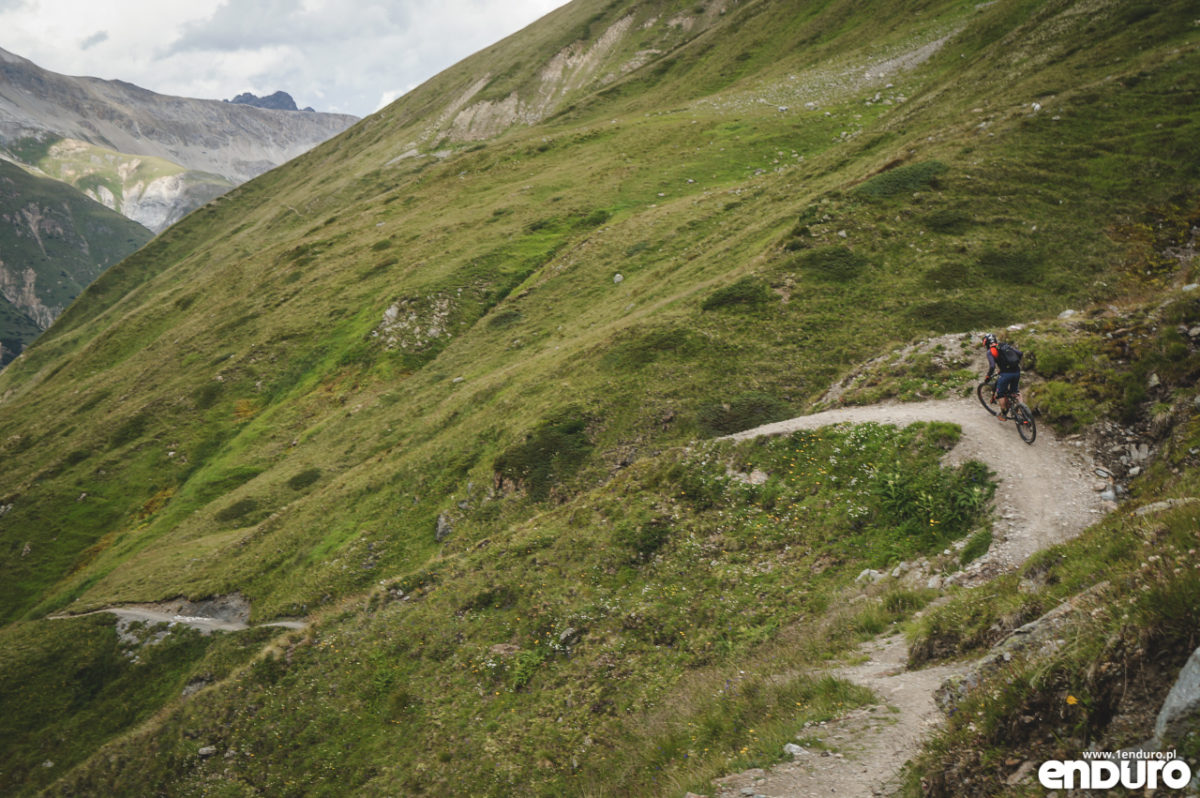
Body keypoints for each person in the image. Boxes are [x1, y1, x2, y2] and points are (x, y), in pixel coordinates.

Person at [982, 332, 1021, 419]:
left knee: (1000, 394)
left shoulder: (990, 351)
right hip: (1017, 372)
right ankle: (1022, 409)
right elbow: (1020, 353)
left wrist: (988, 376)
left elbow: (992, 366)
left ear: (987, 344)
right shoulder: (1004, 345)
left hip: (1006, 375)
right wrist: (1014, 365)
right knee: (1015, 392)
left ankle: (1003, 414)